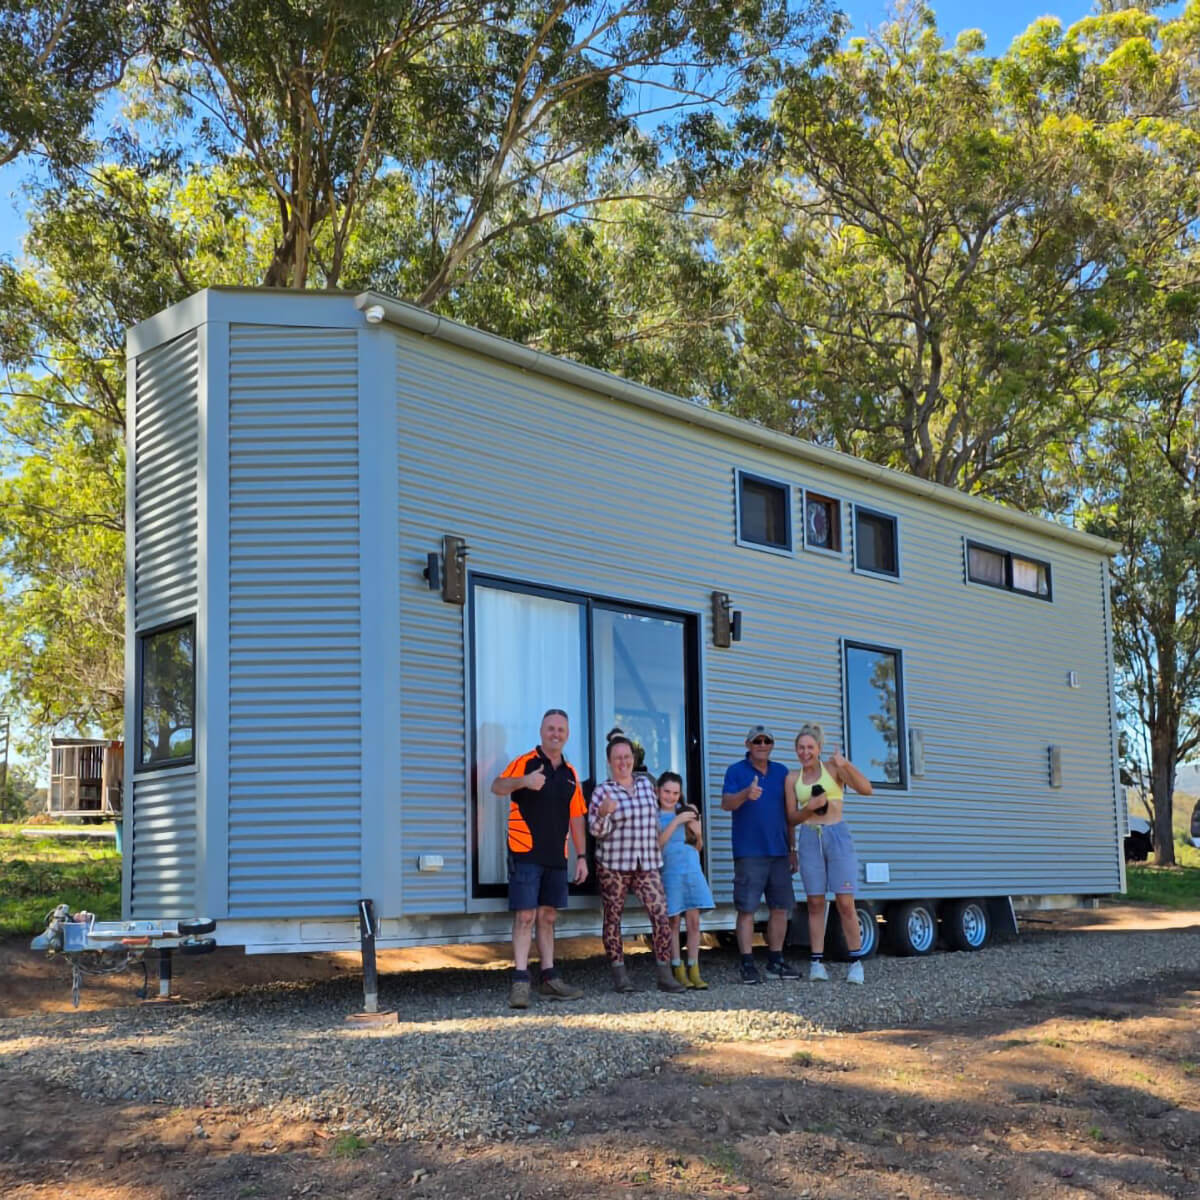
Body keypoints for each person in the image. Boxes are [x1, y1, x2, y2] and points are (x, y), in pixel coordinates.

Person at [491, 708, 589, 1009]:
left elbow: (576, 818)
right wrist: (523, 781)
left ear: (567, 734)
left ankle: (549, 979)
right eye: (550, 728)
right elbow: (496, 786)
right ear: (541, 731)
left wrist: (582, 856)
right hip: (525, 851)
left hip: (556, 857)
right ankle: (520, 981)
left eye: (561, 729)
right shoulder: (525, 763)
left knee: (548, 917)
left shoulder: (571, 774)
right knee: (525, 916)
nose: (555, 733)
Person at [588, 733, 686, 994]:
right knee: (613, 918)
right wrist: (603, 813)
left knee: (661, 914)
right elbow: (596, 831)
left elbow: (663, 809)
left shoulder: (646, 785)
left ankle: (664, 974)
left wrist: (688, 813)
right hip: (614, 865)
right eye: (618, 758)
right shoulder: (602, 791)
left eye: (627, 757)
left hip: (647, 863)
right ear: (609, 761)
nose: (623, 762)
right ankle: (621, 976)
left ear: (634, 759)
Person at [784, 721, 873, 985]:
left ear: (819, 748)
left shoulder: (833, 769)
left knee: (845, 902)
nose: (805, 752)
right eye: (800, 747)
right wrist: (810, 807)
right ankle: (816, 963)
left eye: (810, 747)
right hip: (810, 837)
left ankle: (856, 962)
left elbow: (866, 789)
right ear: (796, 749)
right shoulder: (792, 778)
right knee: (814, 903)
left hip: (837, 835)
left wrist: (845, 765)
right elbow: (791, 818)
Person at [721, 725, 801, 983]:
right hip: (749, 853)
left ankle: (775, 961)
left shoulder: (782, 773)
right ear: (748, 744)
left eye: (767, 741)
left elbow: (790, 814)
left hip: (779, 852)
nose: (763, 745)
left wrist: (792, 849)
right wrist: (746, 793)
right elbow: (726, 803)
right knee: (747, 909)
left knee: (781, 908)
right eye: (758, 741)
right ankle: (747, 965)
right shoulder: (736, 771)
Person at [655, 771, 714, 988]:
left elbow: (697, 848)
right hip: (671, 871)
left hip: (692, 870)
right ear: (658, 791)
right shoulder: (654, 815)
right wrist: (676, 821)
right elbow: (657, 845)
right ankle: (677, 967)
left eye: (675, 793)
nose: (670, 797)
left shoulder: (687, 813)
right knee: (673, 921)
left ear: (680, 795)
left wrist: (698, 834)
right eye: (667, 792)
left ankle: (694, 968)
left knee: (694, 921)